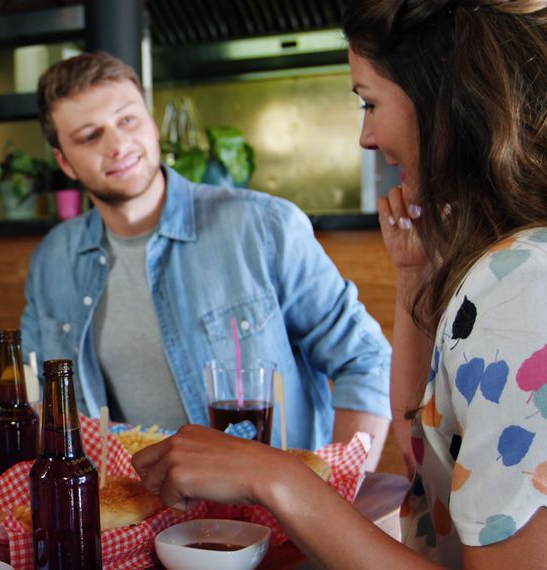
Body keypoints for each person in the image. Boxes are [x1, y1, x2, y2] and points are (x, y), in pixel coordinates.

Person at [135, 0, 547, 567]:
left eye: (369, 102)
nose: (366, 137)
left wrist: (272, 475)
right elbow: (421, 453)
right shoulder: (506, 266)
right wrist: (413, 277)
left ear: (444, 102)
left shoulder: (523, 285)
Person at [22, 52, 392, 460]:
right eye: (90, 135)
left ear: (149, 120)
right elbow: (35, 393)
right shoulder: (52, 260)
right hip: (128, 513)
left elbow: (364, 359)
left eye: (128, 120)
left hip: (266, 510)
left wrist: (338, 492)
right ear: (64, 162)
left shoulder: (263, 226)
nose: (118, 144)